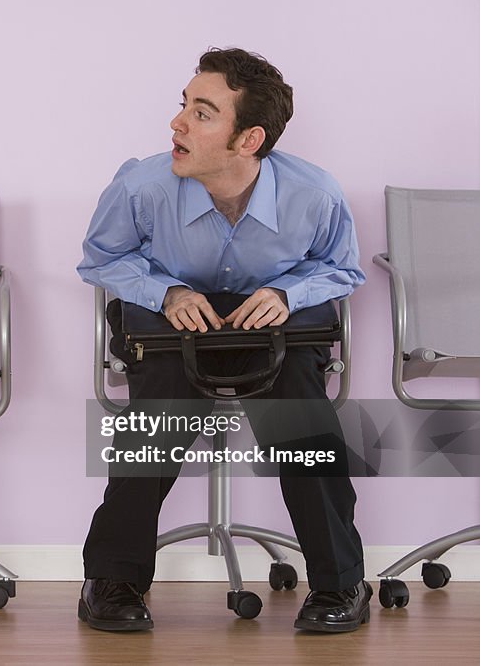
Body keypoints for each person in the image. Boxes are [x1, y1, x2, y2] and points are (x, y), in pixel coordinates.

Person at [77, 48, 369, 633]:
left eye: (202, 113)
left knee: (302, 422)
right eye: (183, 105)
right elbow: (101, 258)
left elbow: (342, 269)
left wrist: (288, 294)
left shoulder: (314, 195)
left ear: (248, 139)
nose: (177, 123)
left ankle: (340, 583)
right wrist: (167, 293)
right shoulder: (142, 186)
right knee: (156, 418)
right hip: (171, 325)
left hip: (272, 326)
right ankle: (113, 578)